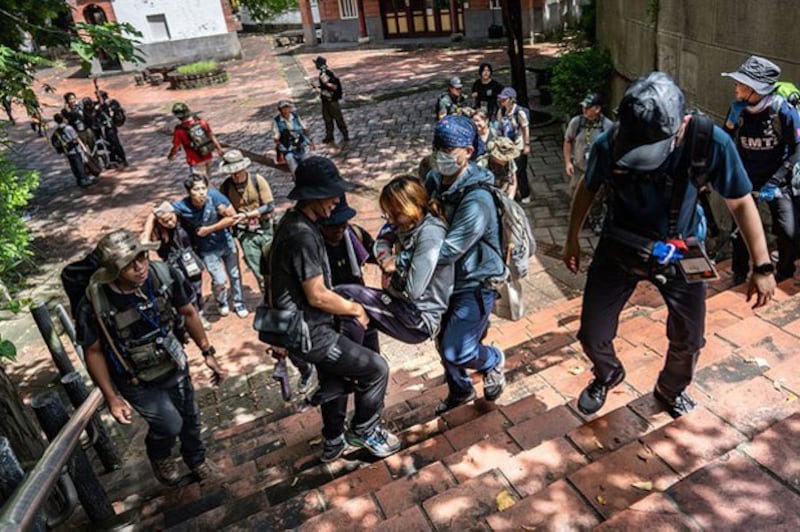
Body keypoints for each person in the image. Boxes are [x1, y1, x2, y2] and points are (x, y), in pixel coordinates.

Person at [563, 72, 776, 419]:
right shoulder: (612, 141)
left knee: (689, 338)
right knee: (591, 332)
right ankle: (607, 373)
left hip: (681, 248)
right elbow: (588, 187)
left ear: (682, 124)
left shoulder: (710, 142)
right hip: (620, 244)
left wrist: (762, 265)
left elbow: (739, 201)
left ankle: (670, 388)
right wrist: (572, 239)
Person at [267, 155, 400, 462]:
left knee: (336, 380)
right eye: (331, 195)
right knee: (376, 369)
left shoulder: (295, 225)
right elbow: (317, 295)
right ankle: (365, 429)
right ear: (312, 196)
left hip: (314, 329)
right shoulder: (301, 235)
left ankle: (333, 441)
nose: (336, 201)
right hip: (312, 332)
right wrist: (355, 309)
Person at [75, 229, 227, 485]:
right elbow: (93, 351)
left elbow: (188, 312)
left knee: (190, 417)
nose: (139, 267)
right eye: (128, 265)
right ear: (113, 271)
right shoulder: (94, 302)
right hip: (134, 378)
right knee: (169, 424)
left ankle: (197, 460)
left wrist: (207, 352)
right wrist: (112, 397)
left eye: (142, 257)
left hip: (172, 362)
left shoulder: (162, 275)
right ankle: (159, 454)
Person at [424, 115, 507, 414]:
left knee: (456, 348)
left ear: (469, 152)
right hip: (445, 281)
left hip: (475, 282)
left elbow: (449, 250)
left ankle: (493, 360)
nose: (441, 155)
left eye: (448, 149)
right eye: (437, 147)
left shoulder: (477, 200)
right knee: (444, 342)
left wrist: (405, 261)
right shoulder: (435, 179)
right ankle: (460, 390)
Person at [337, 176, 454, 349]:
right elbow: (381, 242)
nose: (390, 220)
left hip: (417, 318)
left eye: (396, 214)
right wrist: (385, 259)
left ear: (412, 208)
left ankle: (349, 362)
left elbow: (414, 290)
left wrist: (398, 263)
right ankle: (366, 363)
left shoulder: (429, 233)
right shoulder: (404, 223)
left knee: (344, 293)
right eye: (388, 214)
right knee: (354, 310)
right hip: (399, 304)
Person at [722, 56, 800, 284]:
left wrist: (776, 181)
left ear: (755, 89)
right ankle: (738, 273)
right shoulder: (738, 109)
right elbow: (724, 142)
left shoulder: (782, 111)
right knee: (740, 231)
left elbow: (797, 147)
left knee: (788, 231)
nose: (736, 88)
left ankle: (784, 272)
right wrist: (729, 125)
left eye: (741, 84)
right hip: (746, 176)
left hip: (776, 178)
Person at [171, 174, 249, 319]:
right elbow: (159, 211)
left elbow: (233, 217)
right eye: (196, 189)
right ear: (189, 192)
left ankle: (239, 303)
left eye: (203, 188)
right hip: (207, 250)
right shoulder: (182, 205)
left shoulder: (214, 196)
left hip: (226, 242)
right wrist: (146, 232)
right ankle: (221, 301)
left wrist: (210, 229)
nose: (201, 192)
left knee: (235, 274)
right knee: (219, 280)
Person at [141, 201, 211, 330]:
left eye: (171, 219)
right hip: (173, 263)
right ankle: (194, 317)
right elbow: (146, 239)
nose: (170, 223)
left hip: (190, 258)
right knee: (186, 290)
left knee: (197, 288)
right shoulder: (157, 231)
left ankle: (199, 312)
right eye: (165, 221)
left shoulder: (182, 219)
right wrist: (152, 219)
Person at [219, 150, 275, 290]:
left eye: (237, 171)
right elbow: (221, 207)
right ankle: (266, 292)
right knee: (256, 266)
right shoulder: (226, 186)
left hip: (264, 227)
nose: (235, 175)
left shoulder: (257, 180)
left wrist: (248, 215)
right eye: (232, 172)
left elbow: (269, 206)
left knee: (275, 262)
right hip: (245, 233)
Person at [563, 92, 614, 233]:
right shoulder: (576, 122)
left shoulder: (608, 126)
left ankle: (596, 218)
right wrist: (568, 162)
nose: (584, 110)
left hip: (597, 169)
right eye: (583, 107)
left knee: (597, 196)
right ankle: (580, 219)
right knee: (574, 193)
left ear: (597, 109)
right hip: (579, 167)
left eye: (588, 107)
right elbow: (568, 141)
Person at [167, 102, 224, 179]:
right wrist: (219, 149)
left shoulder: (179, 130)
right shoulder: (201, 122)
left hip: (195, 161)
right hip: (208, 156)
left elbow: (176, 147)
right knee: (208, 181)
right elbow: (211, 136)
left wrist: (170, 156)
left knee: (200, 184)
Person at [497, 87, 531, 203]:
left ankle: (525, 193)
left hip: (518, 146)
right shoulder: (501, 111)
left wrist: (527, 145)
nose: (502, 102)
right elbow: (499, 127)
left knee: (520, 170)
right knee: (509, 170)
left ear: (511, 100)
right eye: (501, 100)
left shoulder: (519, 112)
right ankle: (513, 192)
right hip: (506, 146)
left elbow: (525, 128)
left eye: (504, 99)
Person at [51, 112, 95, 188]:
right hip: (75, 149)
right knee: (79, 164)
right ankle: (84, 180)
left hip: (67, 151)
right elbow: (76, 138)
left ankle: (79, 180)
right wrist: (83, 147)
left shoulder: (57, 131)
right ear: (63, 119)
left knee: (73, 165)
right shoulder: (68, 128)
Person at [313, 56, 349, 143]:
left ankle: (345, 134)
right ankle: (329, 136)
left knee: (338, 118)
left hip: (331, 100)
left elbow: (334, 86)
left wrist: (324, 84)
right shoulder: (323, 73)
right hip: (325, 100)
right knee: (327, 119)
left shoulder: (327, 74)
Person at [272, 100, 314, 174]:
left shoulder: (295, 117)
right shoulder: (277, 121)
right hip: (287, 146)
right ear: (280, 110)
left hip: (299, 144)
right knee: (291, 160)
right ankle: (297, 178)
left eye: (287, 108)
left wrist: (310, 142)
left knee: (306, 161)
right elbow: (276, 136)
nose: (286, 111)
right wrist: (280, 147)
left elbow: (304, 129)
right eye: (283, 108)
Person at [95, 90, 128, 167]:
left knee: (115, 143)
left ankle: (122, 158)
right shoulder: (99, 105)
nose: (97, 99)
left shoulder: (110, 104)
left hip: (111, 128)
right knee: (108, 144)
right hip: (105, 128)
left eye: (99, 97)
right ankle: (113, 160)